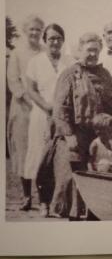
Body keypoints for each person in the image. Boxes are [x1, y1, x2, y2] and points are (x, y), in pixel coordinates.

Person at [52, 32, 112, 220]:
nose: (92, 54)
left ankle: (95, 213)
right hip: (76, 133)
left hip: (99, 135)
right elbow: (60, 107)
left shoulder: (105, 74)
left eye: (96, 50)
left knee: (100, 174)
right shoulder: (69, 74)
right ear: (79, 50)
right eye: (88, 50)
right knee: (73, 174)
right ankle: (73, 214)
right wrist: (68, 135)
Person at [24, 23, 73, 216]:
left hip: (64, 118)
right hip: (41, 116)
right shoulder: (35, 62)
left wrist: (62, 112)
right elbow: (30, 89)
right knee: (40, 157)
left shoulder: (70, 61)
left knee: (60, 159)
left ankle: (57, 202)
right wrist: (47, 107)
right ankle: (42, 202)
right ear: (45, 40)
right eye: (51, 38)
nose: (55, 42)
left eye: (58, 38)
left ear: (63, 40)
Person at [7, 15, 44, 211]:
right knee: (23, 152)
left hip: (42, 110)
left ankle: (43, 198)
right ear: (25, 31)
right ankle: (26, 196)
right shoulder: (17, 53)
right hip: (22, 110)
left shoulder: (46, 52)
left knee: (41, 151)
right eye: (31, 29)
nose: (35, 33)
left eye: (38, 30)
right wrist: (29, 99)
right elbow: (13, 81)